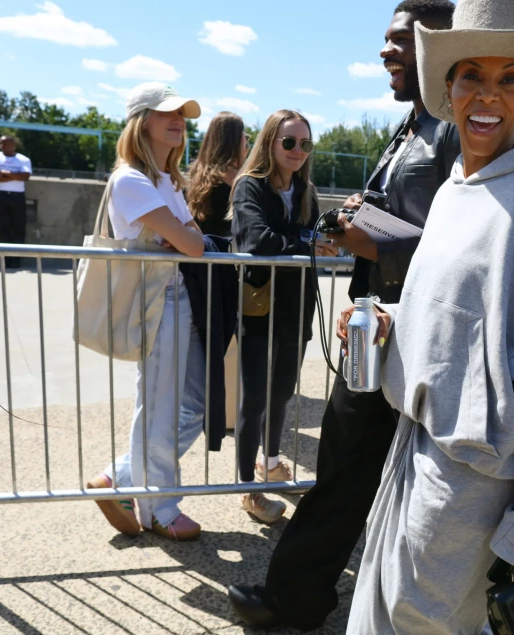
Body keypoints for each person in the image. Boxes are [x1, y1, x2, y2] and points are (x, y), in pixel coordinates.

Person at [340, 0, 514, 635]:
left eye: (508, 78)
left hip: (469, 474)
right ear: (449, 88)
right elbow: (459, 312)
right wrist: (390, 322)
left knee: (427, 628)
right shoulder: (460, 184)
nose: (487, 95)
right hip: (418, 451)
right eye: (470, 76)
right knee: (398, 620)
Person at [228, 0, 459, 632]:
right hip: (378, 322)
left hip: (408, 329)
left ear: (437, 44)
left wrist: (378, 246)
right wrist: (364, 216)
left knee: (363, 471)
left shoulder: (457, 129)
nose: (385, 52)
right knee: (349, 468)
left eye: (398, 41)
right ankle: (307, 594)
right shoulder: (414, 128)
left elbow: (468, 246)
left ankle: (304, 595)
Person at [87, 82, 208, 541]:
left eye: (182, 113)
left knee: (193, 406)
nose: (178, 119)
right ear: (142, 121)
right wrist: (181, 234)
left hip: (176, 298)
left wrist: (179, 234)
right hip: (158, 302)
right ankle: (159, 508)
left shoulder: (166, 181)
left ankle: (119, 477)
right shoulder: (131, 180)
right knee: (158, 406)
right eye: (166, 113)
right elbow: (194, 244)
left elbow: (188, 239)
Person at [229, 109, 338, 524]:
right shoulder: (249, 187)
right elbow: (257, 240)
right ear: (270, 142)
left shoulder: (305, 191)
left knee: (281, 393)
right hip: (258, 305)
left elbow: (298, 239)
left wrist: (323, 239)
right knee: (254, 397)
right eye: (289, 142)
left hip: (297, 307)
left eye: (304, 144)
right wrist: (309, 241)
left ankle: (270, 462)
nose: (297, 151)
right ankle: (246, 487)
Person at [186, 111, 249, 237]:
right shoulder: (236, 179)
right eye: (242, 133)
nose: (246, 138)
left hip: (201, 248)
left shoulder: (196, 174)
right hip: (228, 250)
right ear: (234, 139)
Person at [0, 135, 31, 268]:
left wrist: (7, 174)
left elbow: (26, 176)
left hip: (18, 196)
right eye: (1, 144)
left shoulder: (23, 159)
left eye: (7, 143)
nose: (4, 146)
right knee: (2, 228)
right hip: (1, 195)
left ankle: (17, 259)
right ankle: (5, 258)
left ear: (13, 145)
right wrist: (14, 176)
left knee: (19, 228)